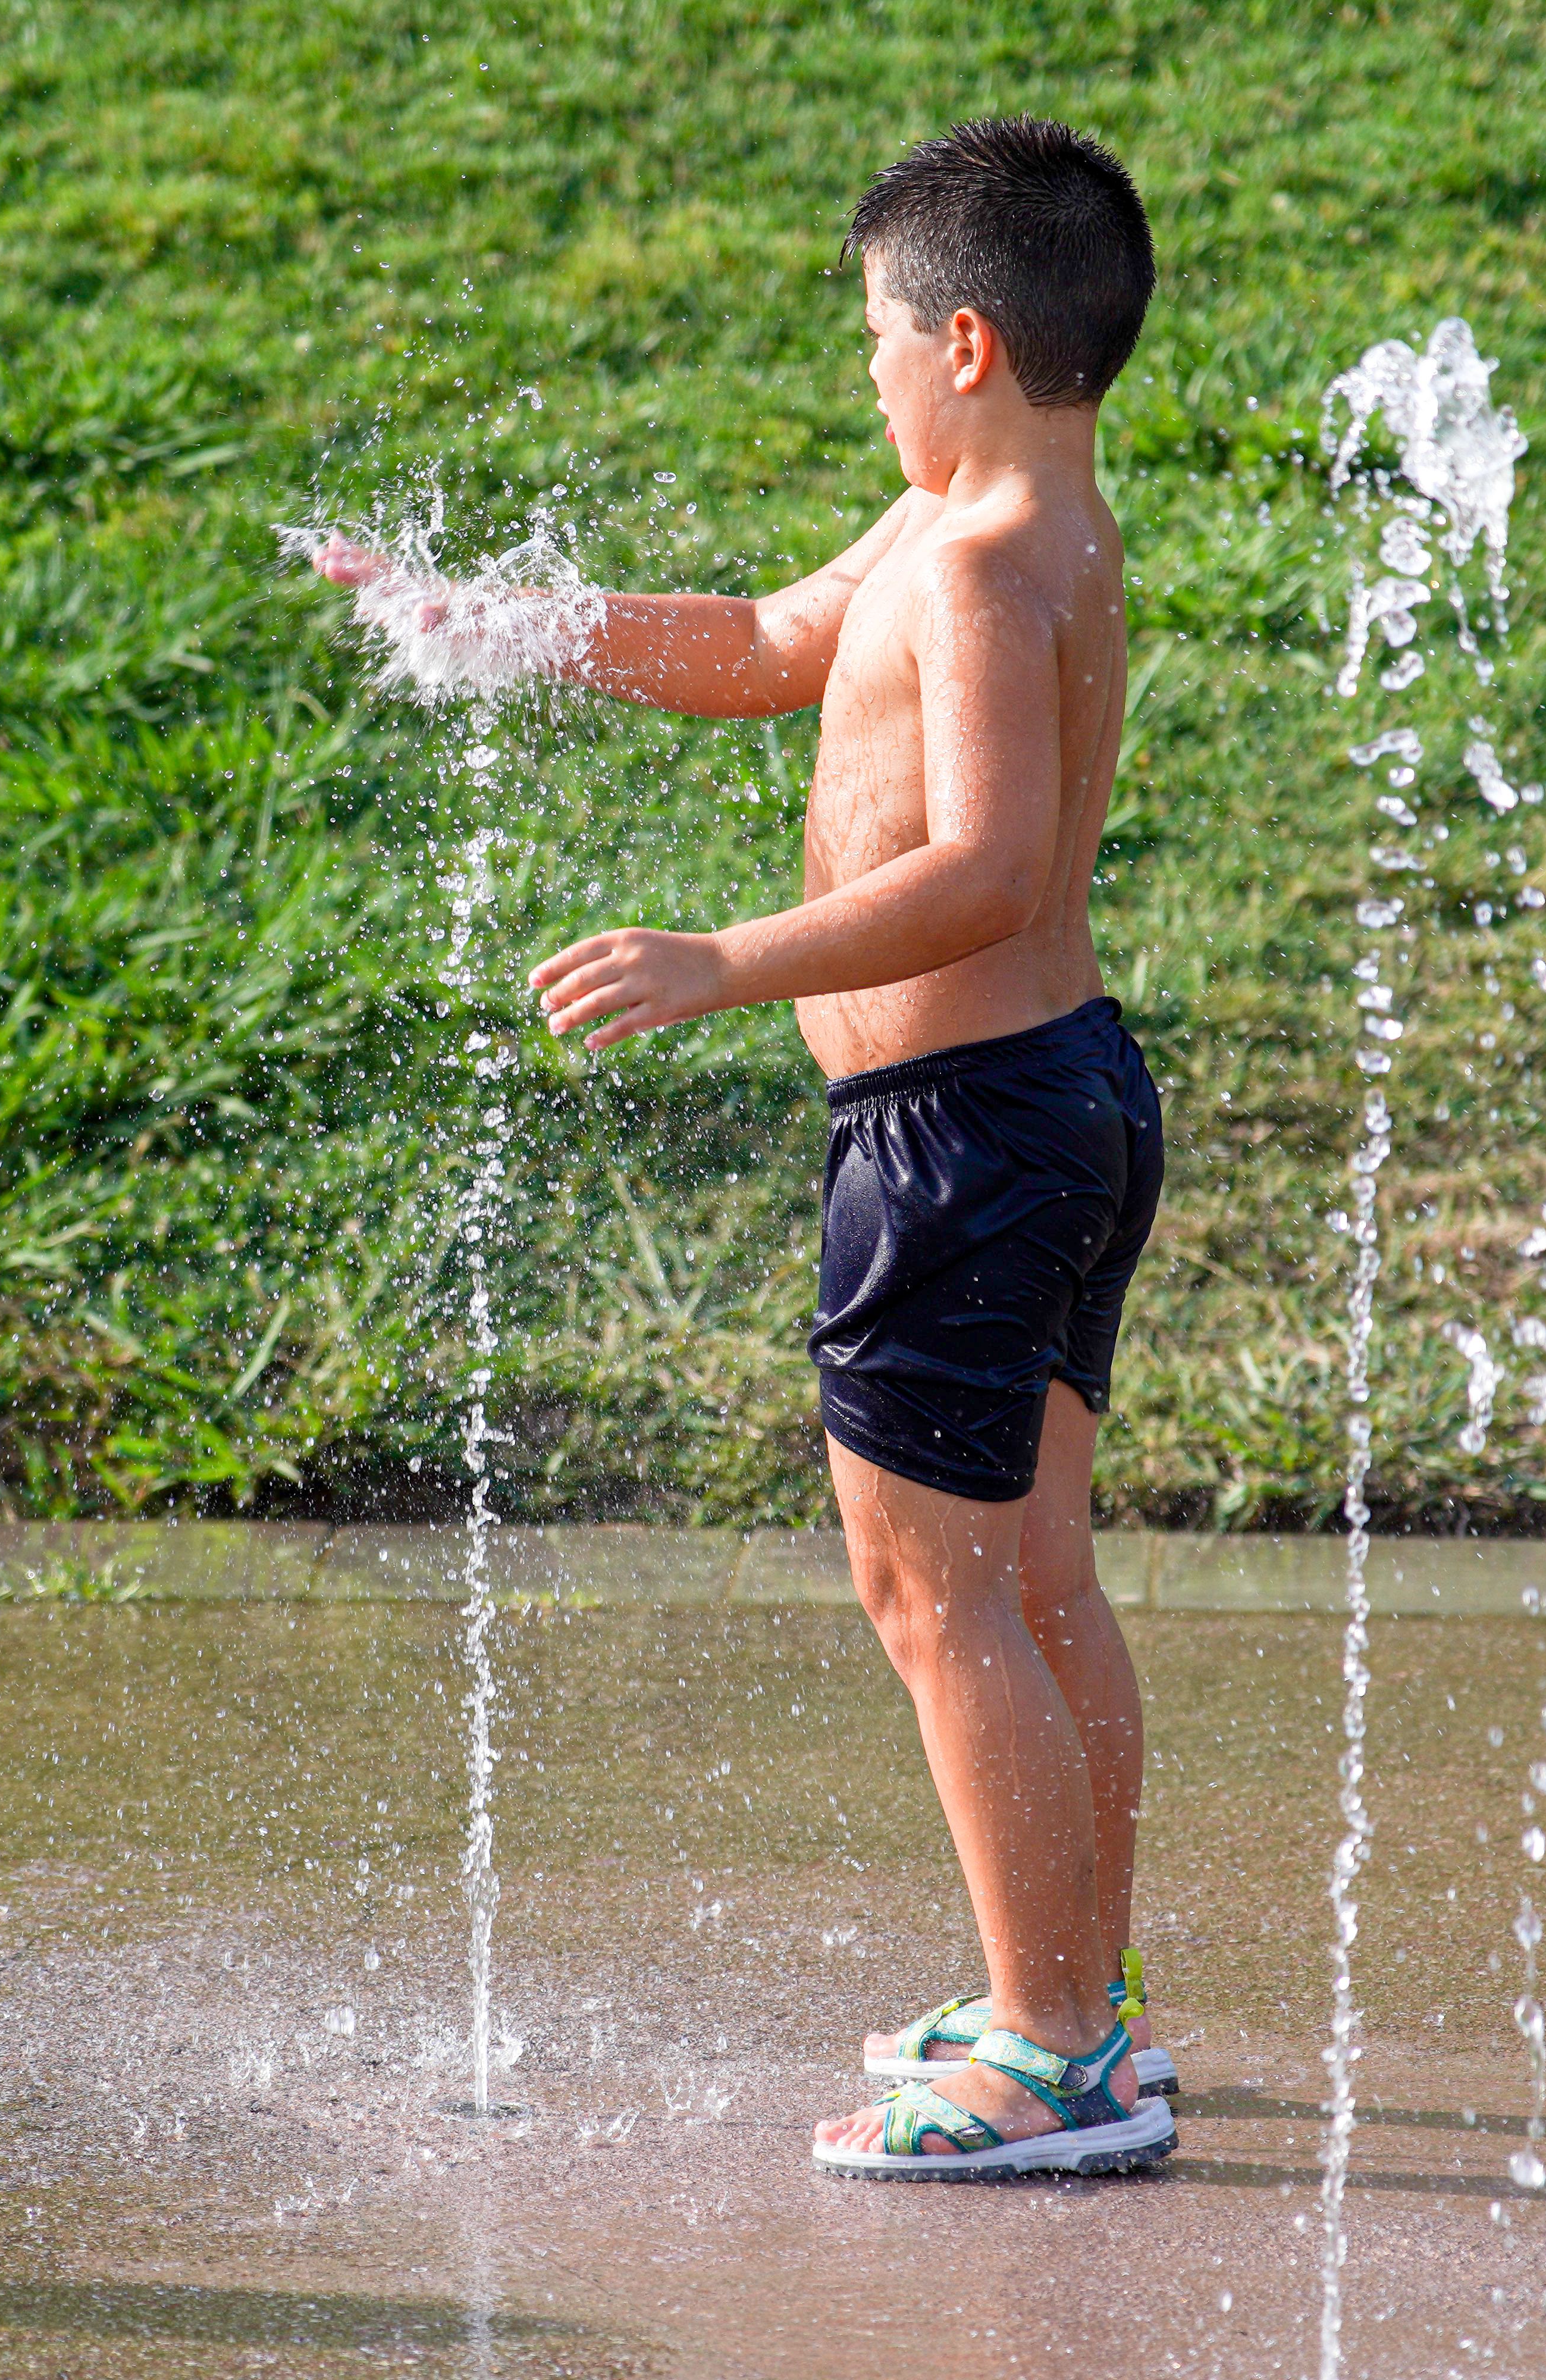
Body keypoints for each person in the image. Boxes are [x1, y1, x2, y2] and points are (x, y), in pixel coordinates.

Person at [313, 117, 1171, 2180]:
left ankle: (1051, 2054)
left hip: (957, 1136)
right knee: (1035, 1581)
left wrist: (724, 959)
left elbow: (977, 865)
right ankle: (1083, 2005)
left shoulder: (971, 566)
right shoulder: (995, 519)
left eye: (876, 337)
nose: (863, 371)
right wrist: (517, 628)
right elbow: (774, 648)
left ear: (962, 339)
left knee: (929, 1591)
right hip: (1059, 1101)